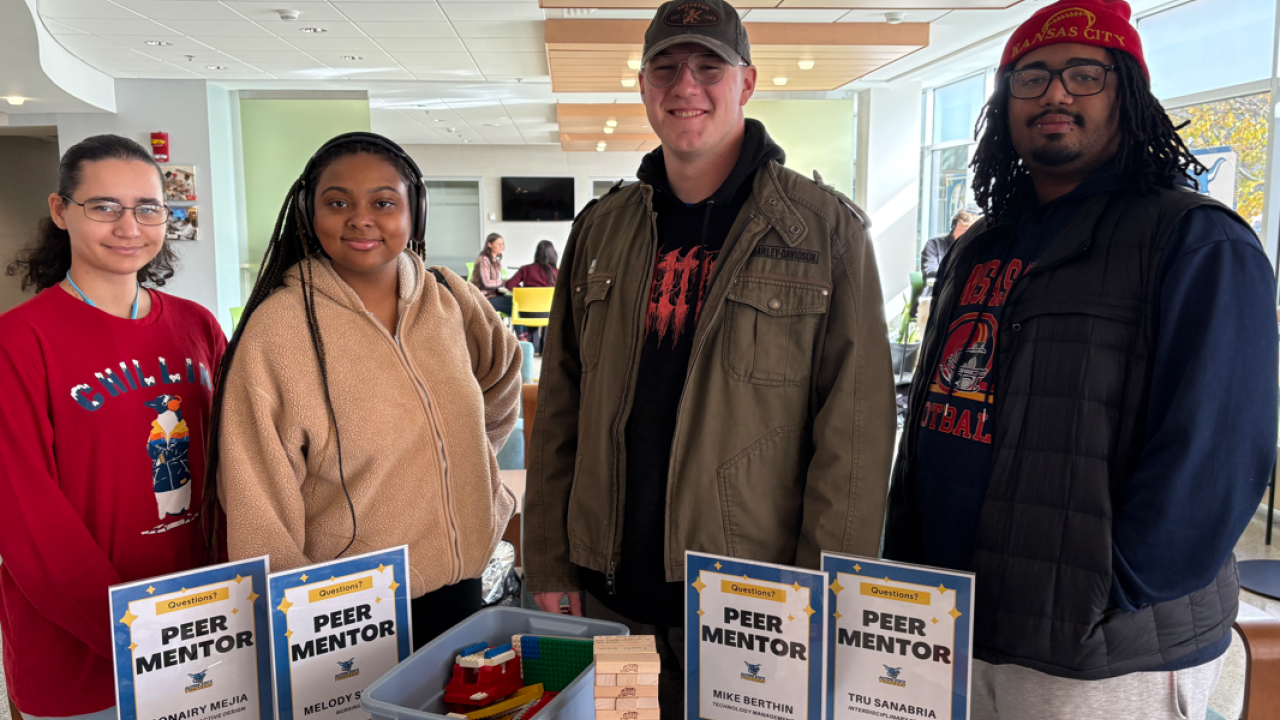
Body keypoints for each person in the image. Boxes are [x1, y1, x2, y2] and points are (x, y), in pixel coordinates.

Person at [883, 1, 1278, 718]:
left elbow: (1216, 453)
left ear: (1127, 93)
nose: (1055, 93)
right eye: (1031, 76)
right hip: (953, 622)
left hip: (1098, 653)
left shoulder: (1193, 241)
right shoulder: (982, 247)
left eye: (1084, 74)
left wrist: (1111, 589)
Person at [523, 1, 895, 716]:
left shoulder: (825, 233)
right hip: (611, 601)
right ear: (642, 85)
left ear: (747, 82)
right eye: (665, 66)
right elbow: (561, 408)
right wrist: (546, 557)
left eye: (708, 66)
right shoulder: (601, 230)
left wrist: (825, 597)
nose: (684, 84)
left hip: (749, 611)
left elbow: (855, 435)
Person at [206, 132, 522, 650]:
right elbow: (255, 493)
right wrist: (295, 616)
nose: (361, 218)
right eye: (338, 203)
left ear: (413, 212)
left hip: (466, 588)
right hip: (346, 614)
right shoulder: (279, 328)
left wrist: (465, 461)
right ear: (310, 214)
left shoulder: (450, 298)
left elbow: (503, 373)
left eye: (383, 202)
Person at [0, 134, 225, 719]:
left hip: (207, 636)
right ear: (60, 211)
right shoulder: (20, 342)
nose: (130, 226)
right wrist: (135, 639)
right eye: (104, 207)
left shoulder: (197, 327)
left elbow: (236, 466)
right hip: (86, 662)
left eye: (148, 208)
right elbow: (28, 521)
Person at [505, 240, 559, 353]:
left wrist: (523, 291)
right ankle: (545, 349)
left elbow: (509, 284)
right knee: (549, 313)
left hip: (527, 312)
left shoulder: (525, 269)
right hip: (548, 312)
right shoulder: (556, 272)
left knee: (533, 315)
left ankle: (534, 349)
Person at [920, 207, 977, 298]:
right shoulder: (934, 245)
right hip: (935, 299)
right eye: (963, 228)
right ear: (953, 227)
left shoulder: (975, 251)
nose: (965, 234)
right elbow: (931, 272)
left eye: (969, 231)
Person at [471, 232, 512, 316]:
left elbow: (495, 282)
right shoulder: (483, 260)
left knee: (518, 303)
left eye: (502, 244)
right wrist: (504, 282)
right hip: (483, 299)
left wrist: (505, 282)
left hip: (492, 296)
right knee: (516, 307)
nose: (502, 247)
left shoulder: (494, 260)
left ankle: (522, 330)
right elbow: (487, 283)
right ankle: (522, 330)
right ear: (489, 244)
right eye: (498, 244)